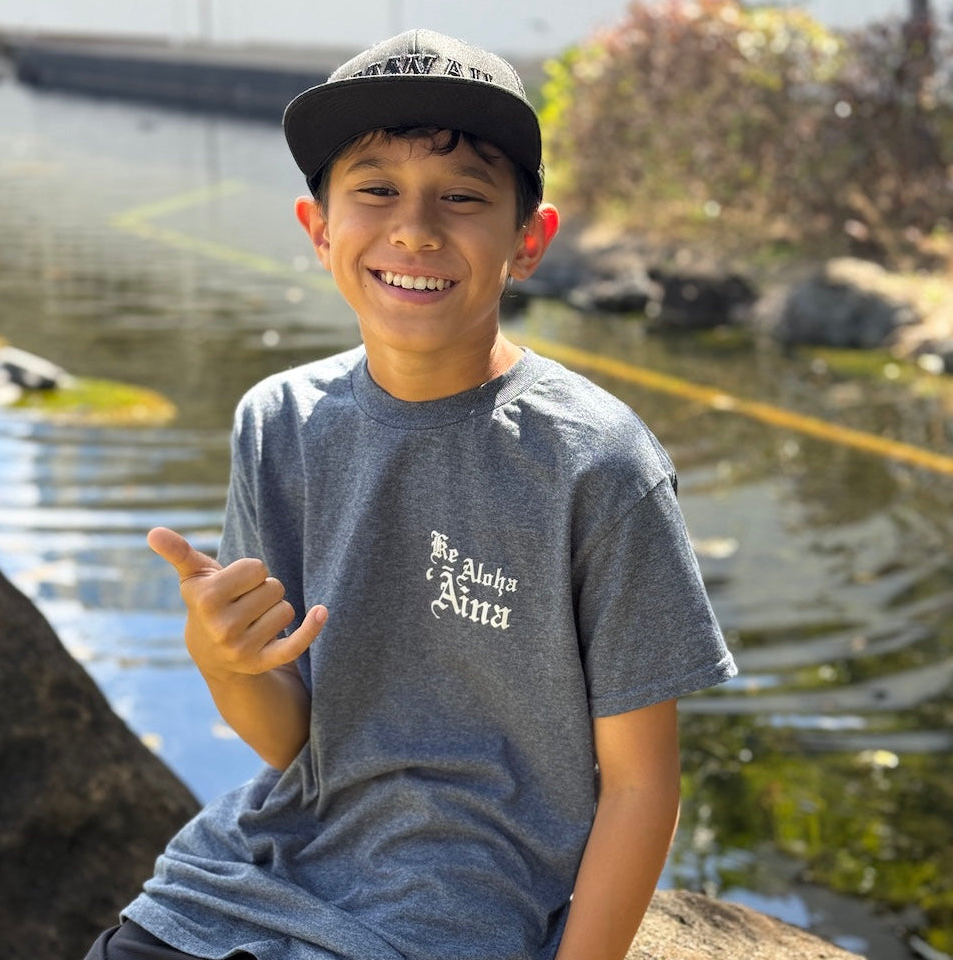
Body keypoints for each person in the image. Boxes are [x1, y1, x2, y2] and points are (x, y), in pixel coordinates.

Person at [84, 28, 736, 960]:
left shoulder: (597, 463)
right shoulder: (279, 420)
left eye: (463, 197)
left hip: (459, 906)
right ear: (317, 229)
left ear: (529, 240)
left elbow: (641, 784)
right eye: (375, 189)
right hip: (250, 876)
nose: (416, 230)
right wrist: (224, 657)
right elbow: (289, 740)